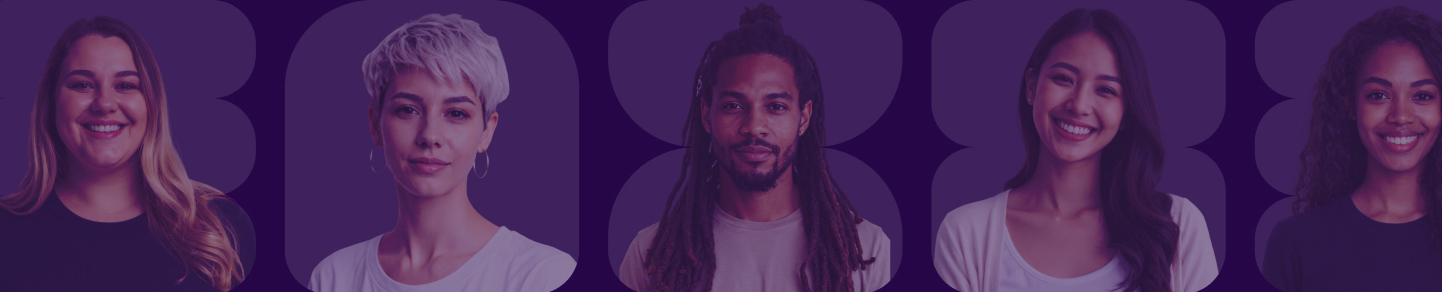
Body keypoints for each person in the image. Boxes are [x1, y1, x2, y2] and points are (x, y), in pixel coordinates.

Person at [0, 15, 256, 292]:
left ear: (152, 104)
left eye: (126, 85)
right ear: (52, 105)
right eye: (83, 85)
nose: (104, 103)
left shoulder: (220, 228)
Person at [931, 8, 1215, 292]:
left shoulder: (1179, 225)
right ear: (1031, 86)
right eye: (1064, 79)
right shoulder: (965, 235)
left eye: (1106, 90)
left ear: (1126, 113)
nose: (1079, 106)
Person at [1260, 6, 1442, 292]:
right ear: (1351, 106)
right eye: (1378, 95)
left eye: (1422, 96)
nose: (1401, 116)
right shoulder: (1295, 244)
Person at [618, 4, 892, 292]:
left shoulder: (866, 250)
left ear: (804, 117)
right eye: (733, 106)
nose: (754, 126)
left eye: (775, 106)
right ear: (705, 115)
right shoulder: (651, 255)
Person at [306, 14, 576, 292]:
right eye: (408, 110)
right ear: (375, 125)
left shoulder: (542, 275)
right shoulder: (333, 277)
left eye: (456, 113)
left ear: (486, 132)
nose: (430, 136)